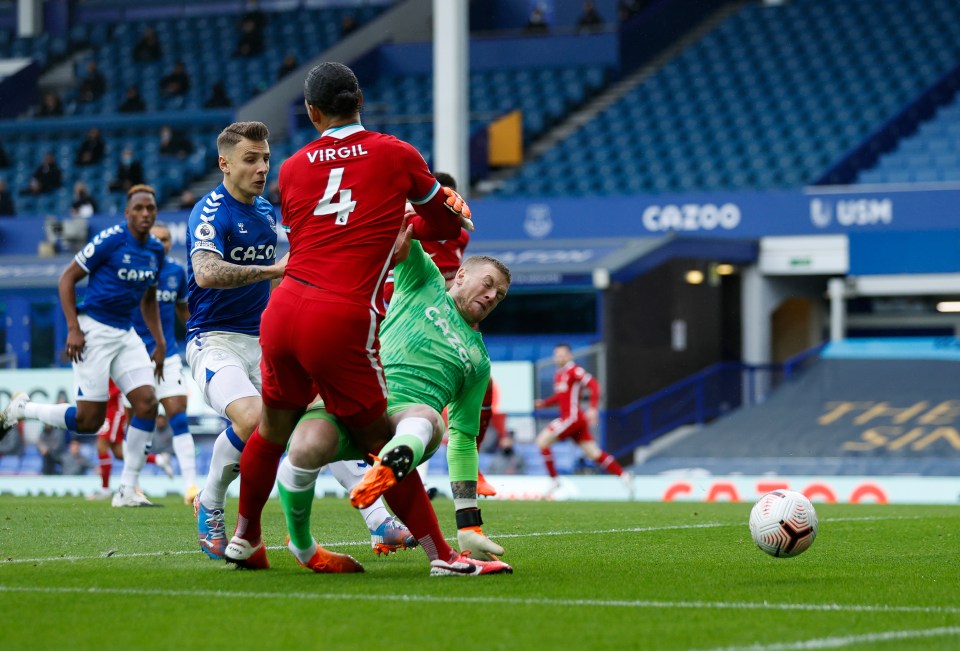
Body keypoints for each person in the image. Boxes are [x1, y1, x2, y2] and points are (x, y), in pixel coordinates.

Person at [222, 61, 472, 569]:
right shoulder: (397, 153)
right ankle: (443, 555)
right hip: (339, 317)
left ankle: (245, 538)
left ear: (312, 112)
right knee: (381, 440)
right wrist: (432, 208)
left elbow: (315, 232)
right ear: (360, 101)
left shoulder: (290, 168)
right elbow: (445, 224)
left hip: (283, 309)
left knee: (272, 429)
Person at [187, 121, 412, 560]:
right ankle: (210, 501)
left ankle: (379, 520)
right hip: (214, 341)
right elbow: (205, 273)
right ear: (224, 163)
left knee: (323, 418)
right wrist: (275, 270)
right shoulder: (211, 211)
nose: (262, 168)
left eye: (266, 158)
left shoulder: (268, 213)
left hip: (265, 339)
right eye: (250, 159)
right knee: (254, 419)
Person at [278, 234, 513, 575]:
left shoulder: (479, 361)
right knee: (304, 446)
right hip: (361, 396)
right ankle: (303, 547)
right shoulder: (425, 279)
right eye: (488, 285)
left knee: (427, 417)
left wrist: (469, 524)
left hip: (408, 418)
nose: (492, 296)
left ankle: (390, 464)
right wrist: (428, 199)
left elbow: (463, 440)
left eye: (500, 295)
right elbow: (398, 229)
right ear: (461, 275)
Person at [0, 185, 166, 507]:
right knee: (89, 421)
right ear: (127, 213)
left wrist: (158, 341)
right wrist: (73, 328)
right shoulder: (111, 240)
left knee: (146, 404)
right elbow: (66, 278)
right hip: (94, 330)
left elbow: (148, 297)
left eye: (151, 209)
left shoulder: (156, 251)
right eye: (139, 209)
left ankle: (127, 491)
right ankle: (24, 409)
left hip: (125, 332)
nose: (146, 214)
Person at [131, 221, 199, 503]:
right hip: (133, 355)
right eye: (157, 238)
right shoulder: (132, 270)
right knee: (134, 421)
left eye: (167, 239)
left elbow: (183, 309)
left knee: (178, 414)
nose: (162, 243)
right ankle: (131, 485)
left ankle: (191, 487)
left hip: (168, 355)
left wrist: (197, 330)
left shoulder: (175, 273)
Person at [534, 343, 633, 494]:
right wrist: (544, 403)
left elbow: (594, 385)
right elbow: (560, 397)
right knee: (594, 453)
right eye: (557, 355)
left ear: (570, 356)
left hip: (572, 418)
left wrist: (593, 408)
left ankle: (554, 481)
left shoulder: (575, 370)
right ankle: (623, 475)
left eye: (562, 354)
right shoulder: (559, 374)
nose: (559, 358)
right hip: (574, 421)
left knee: (542, 441)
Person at [86, 378, 173, 501]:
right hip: (110, 408)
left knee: (102, 445)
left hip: (116, 409)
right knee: (119, 453)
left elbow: (120, 382)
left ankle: (105, 489)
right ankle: (158, 460)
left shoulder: (110, 363)